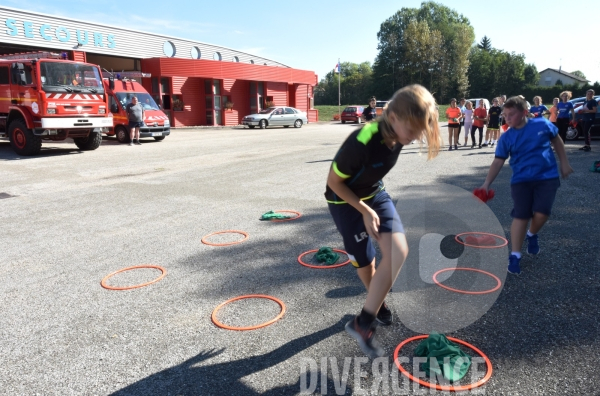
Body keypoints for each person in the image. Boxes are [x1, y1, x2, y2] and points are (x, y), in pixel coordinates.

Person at [326, 84, 441, 358]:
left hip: (375, 194)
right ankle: (377, 304)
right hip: (345, 201)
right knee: (366, 263)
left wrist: (370, 205)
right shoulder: (362, 140)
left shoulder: (399, 133)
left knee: (399, 251)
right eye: (412, 130)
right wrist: (364, 210)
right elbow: (334, 183)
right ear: (393, 118)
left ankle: (363, 321)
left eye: (420, 131)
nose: (414, 138)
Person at [479, 96, 573, 275]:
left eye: (511, 114)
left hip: (547, 178)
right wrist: (486, 183)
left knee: (542, 213)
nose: (506, 118)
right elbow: (498, 162)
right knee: (521, 215)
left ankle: (532, 234)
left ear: (524, 113)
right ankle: (515, 255)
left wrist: (564, 162)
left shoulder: (541, 125)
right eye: (505, 115)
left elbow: (557, 140)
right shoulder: (506, 137)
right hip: (521, 181)